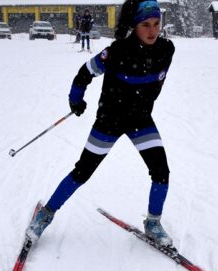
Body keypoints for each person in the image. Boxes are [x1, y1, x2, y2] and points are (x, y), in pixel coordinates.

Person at [26, 0, 175, 247]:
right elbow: (85, 73)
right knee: (82, 172)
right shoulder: (116, 52)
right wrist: (76, 99)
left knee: (161, 172)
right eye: (146, 24)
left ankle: (153, 223)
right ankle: (45, 215)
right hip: (110, 121)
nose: (152, 30)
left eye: (156, 24)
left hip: (140, 120)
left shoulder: (166, 50)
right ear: (134, 26)